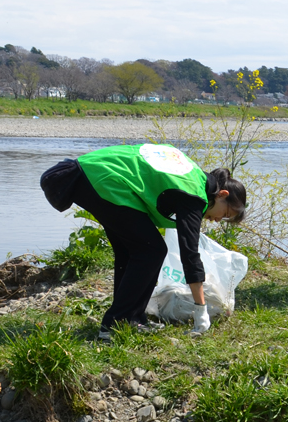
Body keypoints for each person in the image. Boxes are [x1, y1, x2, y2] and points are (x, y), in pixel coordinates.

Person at [40, 144, 246, 339]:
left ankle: (131, 319)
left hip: (90, 175)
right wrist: (201, 310)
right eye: (225, 214)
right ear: (222, 194)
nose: (218, 220)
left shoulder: (192, 176)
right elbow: (190, 255)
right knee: (151, 251)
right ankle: (115, 324)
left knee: (132, 251)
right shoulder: (194, 195)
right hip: (99, 178)